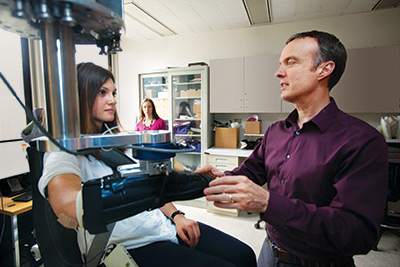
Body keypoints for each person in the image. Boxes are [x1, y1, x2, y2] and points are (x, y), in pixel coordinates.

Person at [197, 31, 388, 267]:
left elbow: (356, 233)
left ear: (324, 70)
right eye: (280, 64)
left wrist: (268, 204)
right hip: (270, 253)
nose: (279, 73)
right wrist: (223, 178)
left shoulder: (361, 140)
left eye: (291, 62)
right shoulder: (276, 131)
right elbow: (251, 172)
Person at [38, 62, 256, 267]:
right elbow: (68, 205)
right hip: (134, 244)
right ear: (79, 97)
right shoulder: (63, 152)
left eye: (113, 93)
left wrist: (177, 214)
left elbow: (150, 185)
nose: (113, 100)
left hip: (163, 226)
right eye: (102, 92)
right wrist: (172, 185)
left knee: (245, 256)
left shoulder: (112, 145)